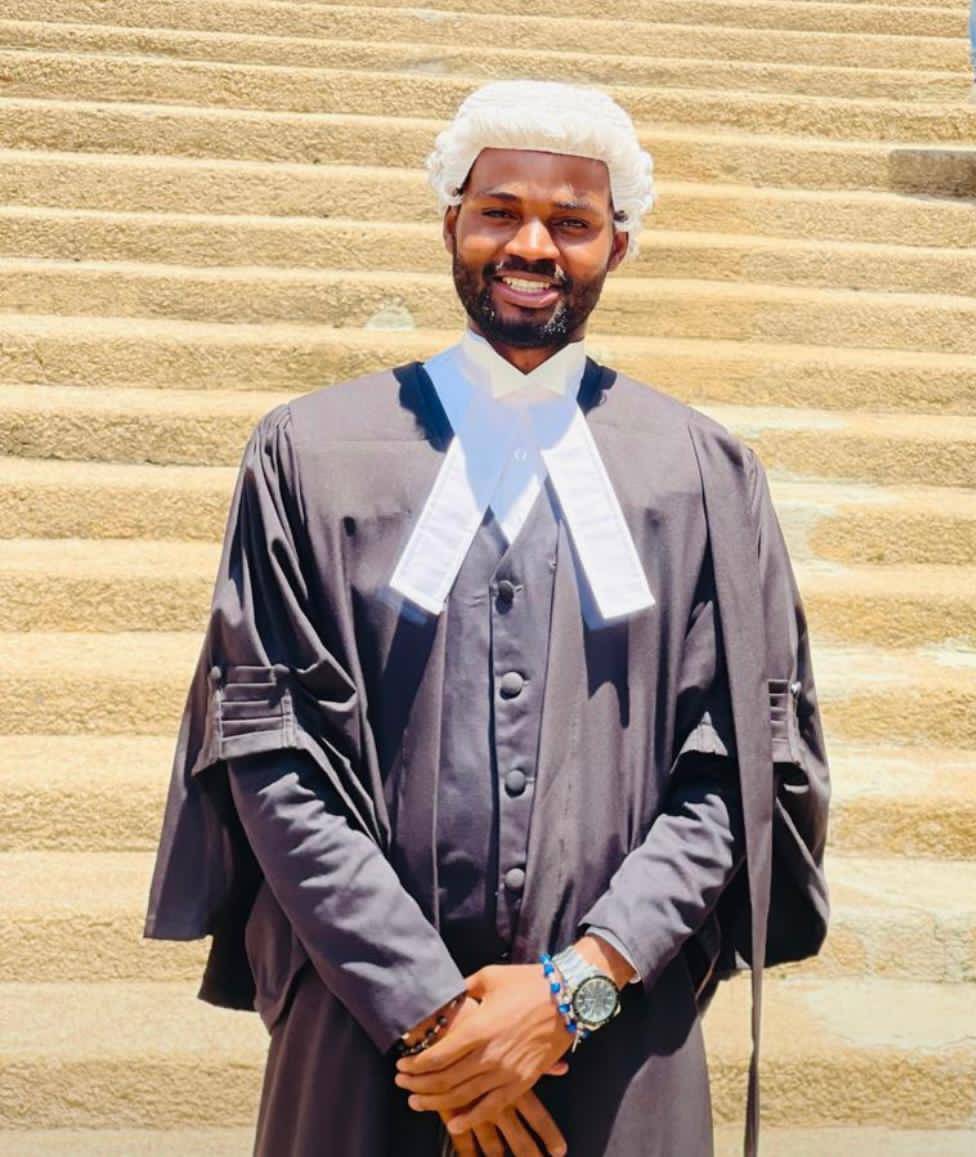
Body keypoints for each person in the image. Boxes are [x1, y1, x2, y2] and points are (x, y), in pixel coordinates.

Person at [143, 79, 830, 1157]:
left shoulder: (706, 475)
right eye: (500, 211)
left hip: (615, 1030)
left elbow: (737, 766)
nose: (531, 245)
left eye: (571, 221)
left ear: (619, 243)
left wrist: (575, 991)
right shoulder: (306, 454)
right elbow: (268, 750)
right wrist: (432, 1015)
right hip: (369, 1034)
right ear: (449, 222)